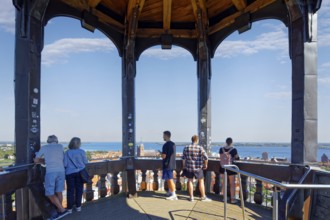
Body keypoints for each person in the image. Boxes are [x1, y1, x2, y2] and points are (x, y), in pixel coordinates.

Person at [34, 135, 69, 219]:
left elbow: (36, 160)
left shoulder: (45, 147)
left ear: (48, 141)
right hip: (61, 171)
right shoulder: (60, 146)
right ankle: (59, 210)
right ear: (56, 141)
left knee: (49, 193)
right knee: (59, 191)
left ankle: (62, 210)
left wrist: (44, 160)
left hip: (51, 172)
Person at [182, 135, 211, 202]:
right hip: (198, 168)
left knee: (190, 181)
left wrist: (184, 166)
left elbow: (183, 158)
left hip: (189, 167)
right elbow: (206, 157)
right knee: (201, 181)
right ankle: (203, 197)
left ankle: (191, 197)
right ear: (197, 140)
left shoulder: (186, 147)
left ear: (191, 140)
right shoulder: (200, 148)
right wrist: (205, 164)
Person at [64, 137, 88, 213]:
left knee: (70, 190)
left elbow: (65, 164)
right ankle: (78, 207)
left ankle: (69, 208)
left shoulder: (67, 152)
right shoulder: (82, 151)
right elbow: (85, 162)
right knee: (79, 189)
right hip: (80, 173)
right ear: (79, 144)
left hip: (69, 173)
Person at [219, 137, 239, 204]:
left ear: (226, 142)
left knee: (224, 183)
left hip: (223, 167)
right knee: (232, 184)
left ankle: (224, 198)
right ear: (232, 142)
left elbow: (221, 158)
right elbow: (237, 157)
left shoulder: (221, 149)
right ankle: (232, 199)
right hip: (230, 168)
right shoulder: (234, 149)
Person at [161, 131, 177, 200]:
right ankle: (170, 191)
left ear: (166, 136)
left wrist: (160, 154)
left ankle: (174, 194)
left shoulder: (165, 145)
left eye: (163, 135)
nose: (163, 137)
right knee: (169, 178)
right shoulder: (173, 144)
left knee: (170, 179)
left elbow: (164, 156)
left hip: (167, 164)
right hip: (172, 163)